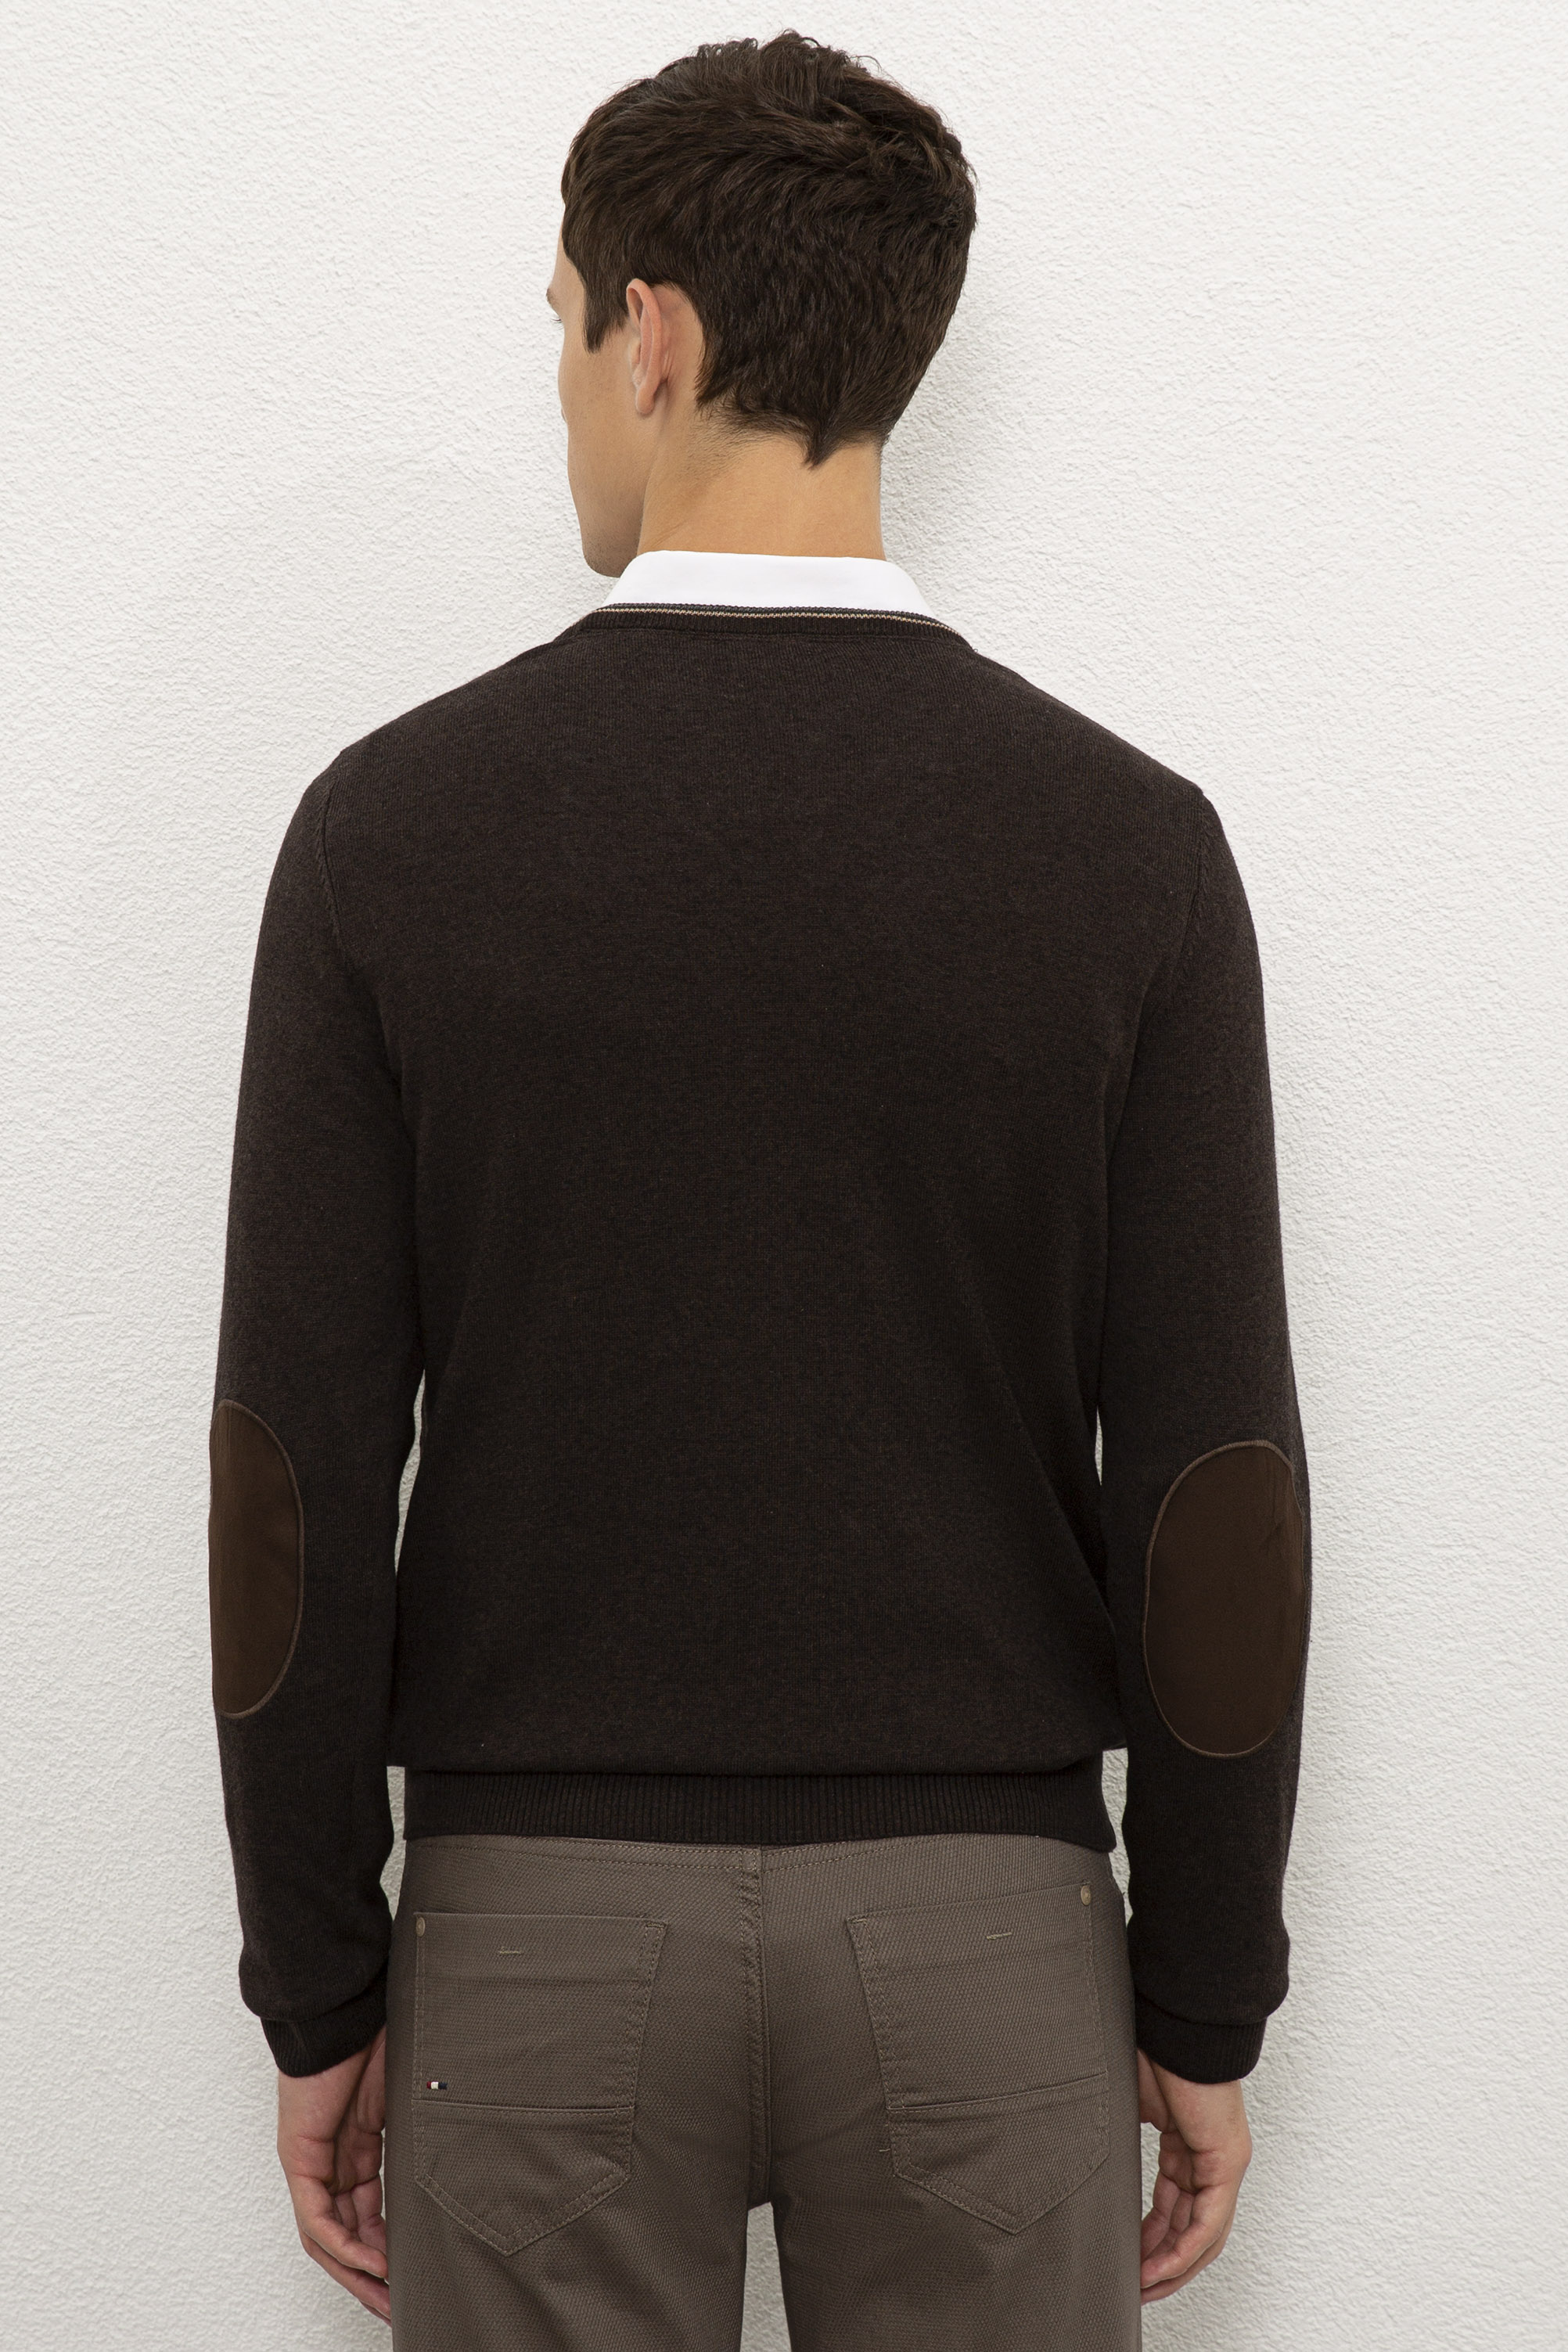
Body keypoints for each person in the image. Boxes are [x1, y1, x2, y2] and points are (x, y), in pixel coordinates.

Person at [207, 32, 1309, 2350]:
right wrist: (1203, 1992)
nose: (565, 394)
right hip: (989, 1941)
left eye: (561, 329)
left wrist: (318, 1976)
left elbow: (286, 1487)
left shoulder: (392, 833)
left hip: (535, 1947)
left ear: (656, 334)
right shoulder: (1127, 851)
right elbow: (1213, 1495)